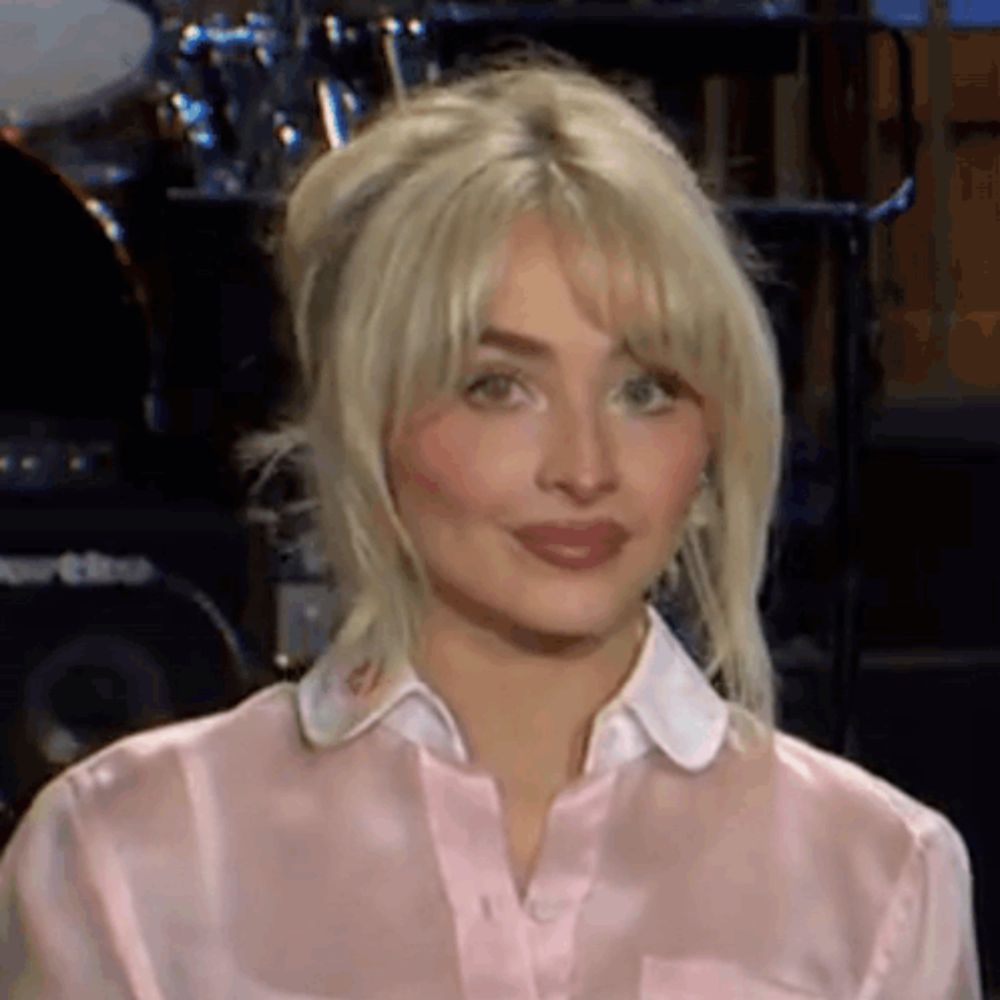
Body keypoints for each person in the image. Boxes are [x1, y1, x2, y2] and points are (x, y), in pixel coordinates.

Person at [0, 52, 983, 998]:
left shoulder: (879, 877)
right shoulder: (127, 853)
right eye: (498, 386)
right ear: (368, 411)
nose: (584, 468)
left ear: (715, 431)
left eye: (646, 388)